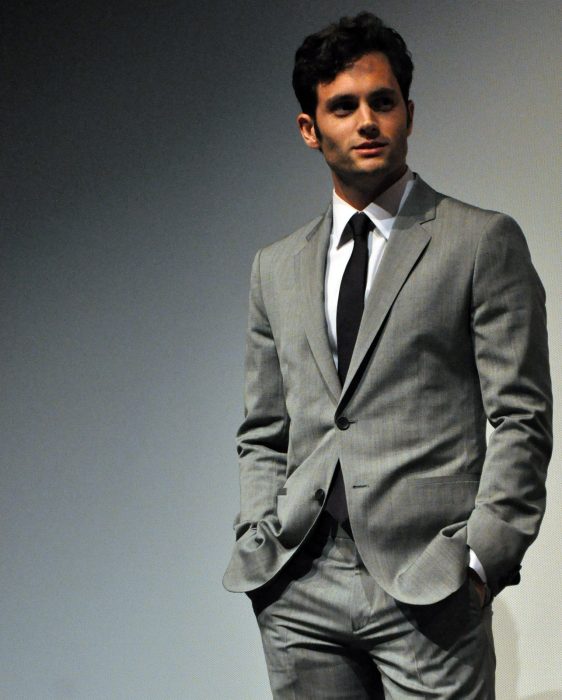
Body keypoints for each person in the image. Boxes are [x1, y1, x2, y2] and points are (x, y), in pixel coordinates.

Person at [223, 12, 552, 699]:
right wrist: (260, 535)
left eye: (383, 101)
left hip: (429, 585)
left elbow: (522, 417)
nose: (367, 120)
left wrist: (481, 557)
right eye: (343, 106)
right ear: (310, 129)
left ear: (409, 112)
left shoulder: (480, 242)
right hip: (300, 586)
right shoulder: (275, 268)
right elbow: (262, 429)